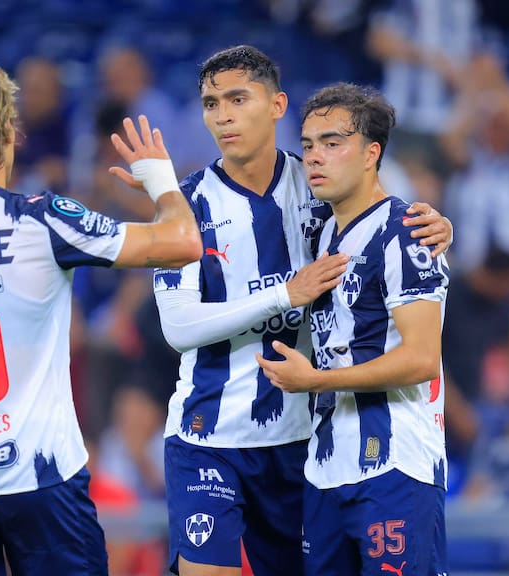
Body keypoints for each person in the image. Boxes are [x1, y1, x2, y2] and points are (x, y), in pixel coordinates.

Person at [111, 45, 452, 576]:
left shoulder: (320, 190)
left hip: (302, 441)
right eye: (210, 103)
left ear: (276, 106)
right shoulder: (188, 206)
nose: (222, 115)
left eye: (237, 99)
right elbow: (178, 327)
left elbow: (384, 219)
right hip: (210, 434)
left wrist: (435, 225)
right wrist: (283, 295)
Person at [0, 62, 202, 576]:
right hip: (41, 481)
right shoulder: (41, 219)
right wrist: (160, 180)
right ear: (7, 133)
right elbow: (183, 242)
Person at [256, 82, 449, 576]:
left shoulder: (405, 231)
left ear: (371, 153)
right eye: (308, 144)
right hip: (324, 469)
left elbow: (421, 359)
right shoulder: (319, 232)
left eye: (333, 142)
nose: (315, 156)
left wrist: (315, 381)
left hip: (394, 468)